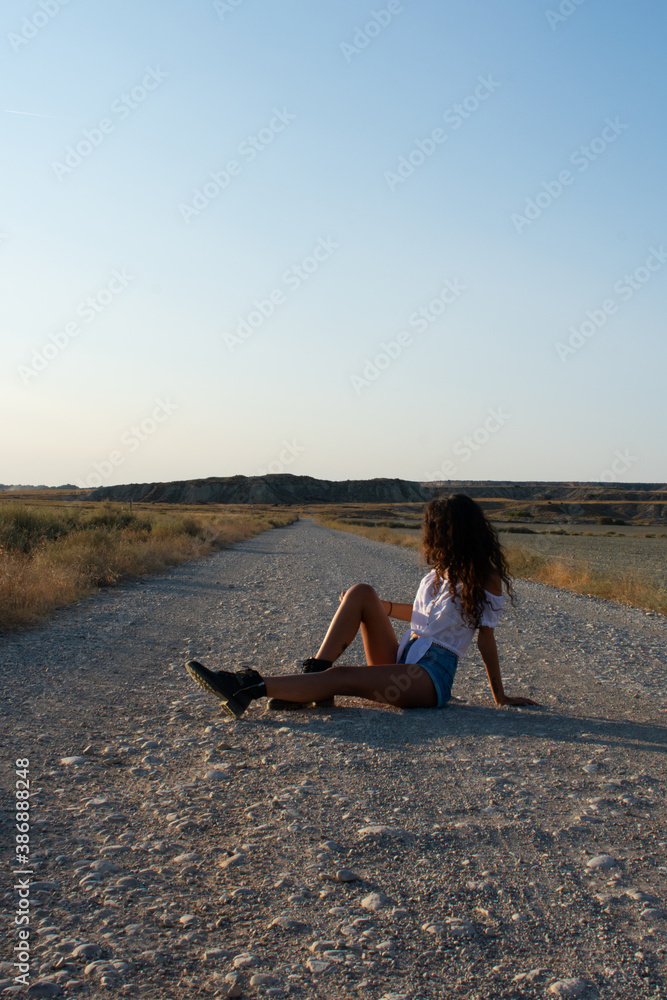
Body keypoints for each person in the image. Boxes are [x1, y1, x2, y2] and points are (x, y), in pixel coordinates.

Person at [184, 493, 539, 717]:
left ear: (454, 532)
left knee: (341, 678)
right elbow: (423, 619)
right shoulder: (438, 574)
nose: (429, 536)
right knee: (361, 591)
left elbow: (485, 638)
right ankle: (312, 678)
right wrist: (382, 607)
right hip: (405, 656)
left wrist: (500, 696)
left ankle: (245, 686)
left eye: (435, 529)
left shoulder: (484, 578)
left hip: (431, 676)